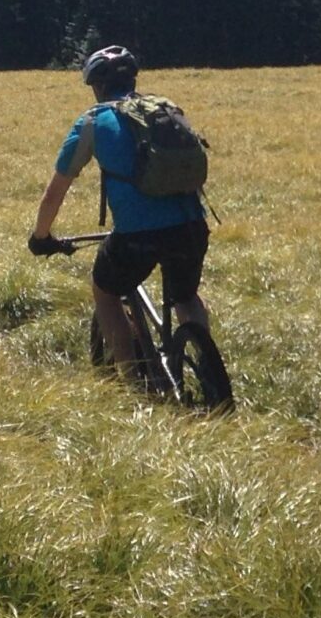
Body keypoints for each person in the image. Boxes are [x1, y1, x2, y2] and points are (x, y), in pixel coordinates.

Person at [29, 45, 209, 379]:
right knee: (185, 297)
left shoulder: (93, 121)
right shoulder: (164, 108)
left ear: (96, 86)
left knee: (106, 292)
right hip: (192, 224)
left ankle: (131, 381)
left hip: (137, 235)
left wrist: (41, 237)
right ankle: (206, 366)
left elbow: (56, 191)